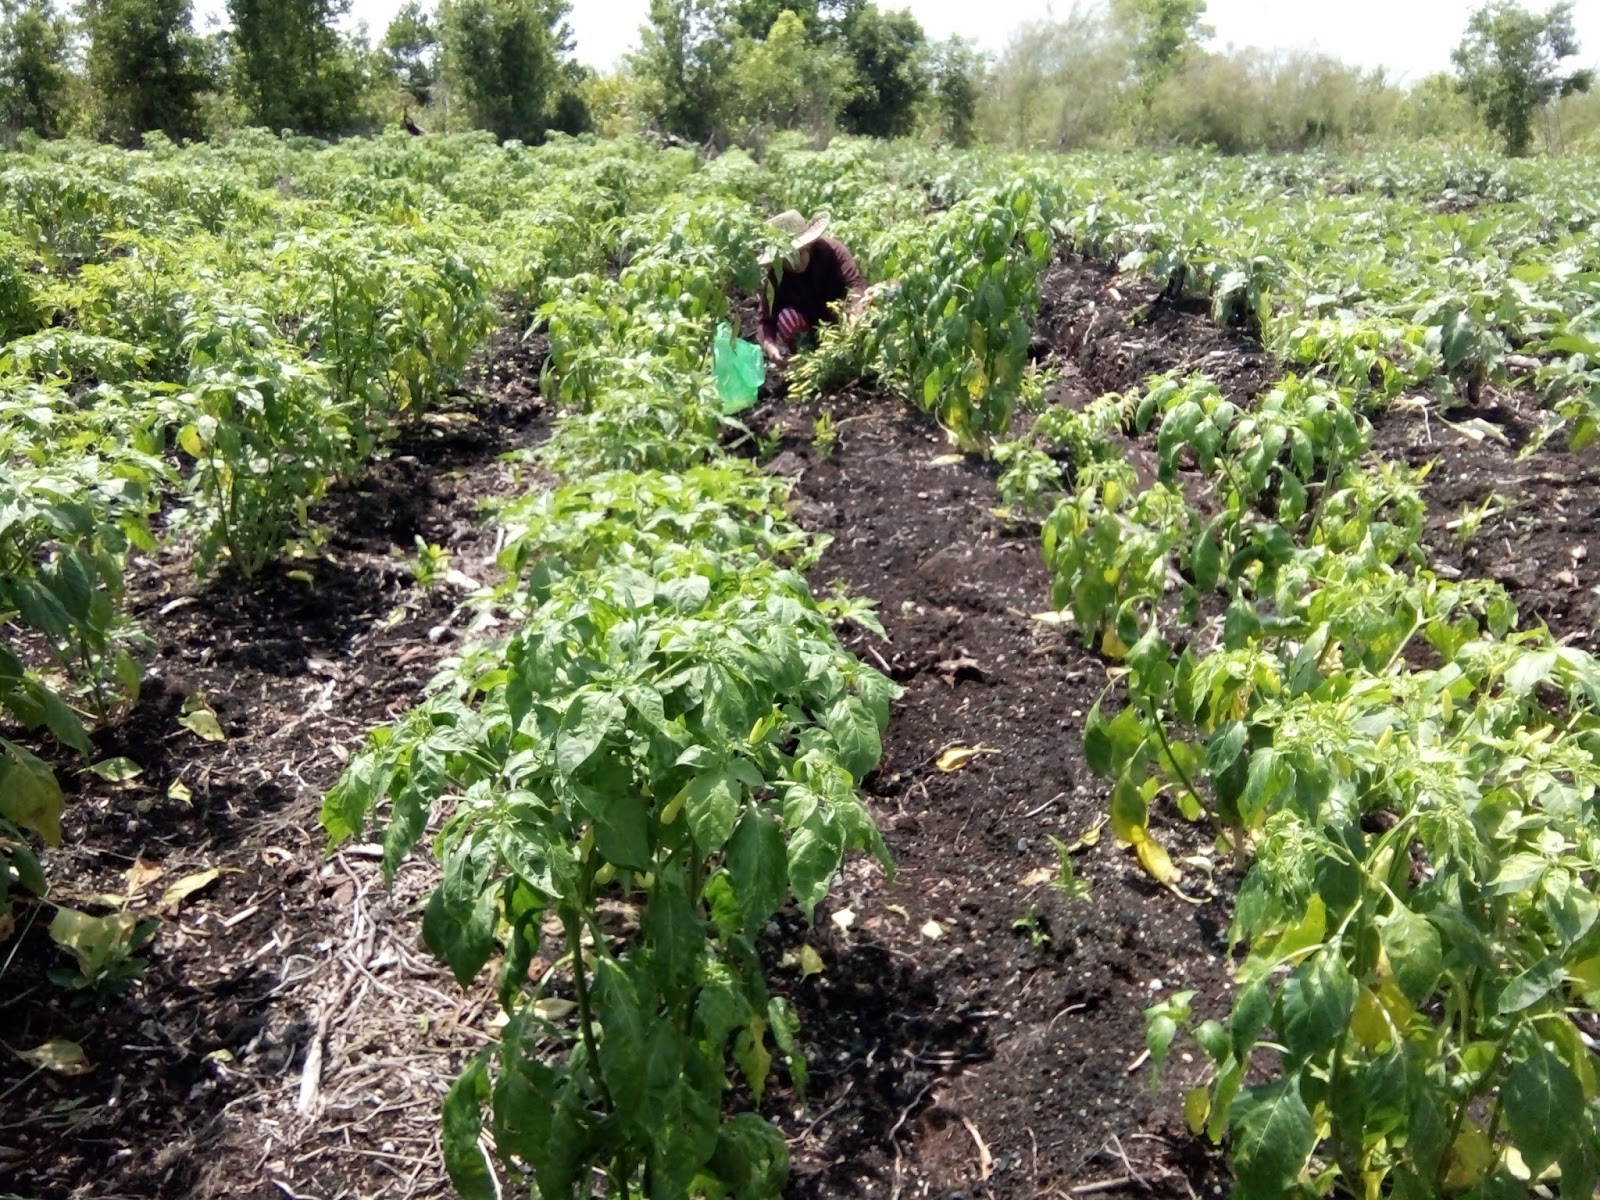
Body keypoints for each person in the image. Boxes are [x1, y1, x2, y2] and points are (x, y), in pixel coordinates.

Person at [757, 211, 868, 365]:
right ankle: (809, 360)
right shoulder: (776, 276)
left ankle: (860, 350)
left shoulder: (832, 251)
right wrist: (769, 346)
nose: (794, 263)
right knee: (787, 318)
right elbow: (766, 320)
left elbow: (855, 285)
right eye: (786, 259)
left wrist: (855, 312)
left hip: (846, 322)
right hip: (812, 332)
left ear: (808, 245)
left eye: (798, 254)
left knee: (874, 297)